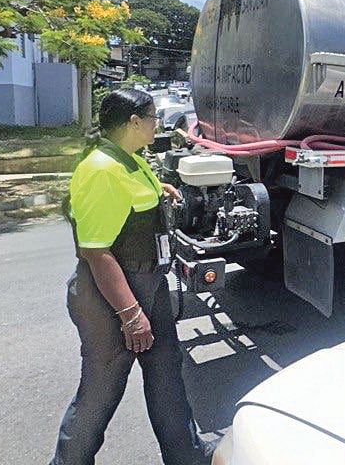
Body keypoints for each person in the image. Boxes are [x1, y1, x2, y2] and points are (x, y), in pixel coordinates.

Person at [51, 89, 210, 465]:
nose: (159, 124)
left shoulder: (132, 160)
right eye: (153, 118)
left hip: (149, 284)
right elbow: (96, 251)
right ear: (134, 123)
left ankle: (187, 457)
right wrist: (130, 314)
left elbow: (134, 199)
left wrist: (161, 192)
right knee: (99, 393)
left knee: (167, 376)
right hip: (112, 298)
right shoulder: (101, 169)